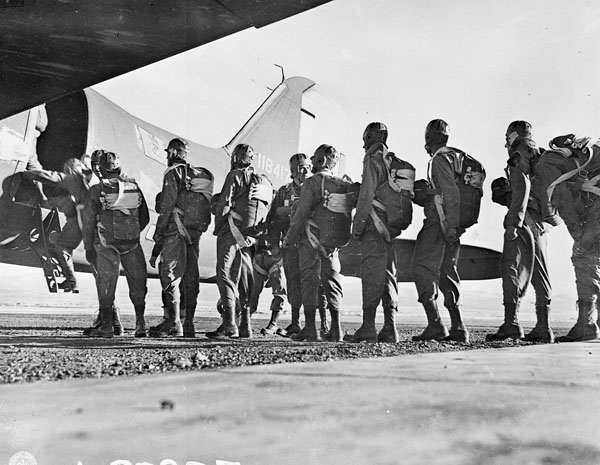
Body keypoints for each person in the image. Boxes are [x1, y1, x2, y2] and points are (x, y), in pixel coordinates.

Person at [411, 119, 485, 344]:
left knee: (421, 266)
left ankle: (435, 325)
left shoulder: (439, 160)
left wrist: (450, 225)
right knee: (447, 270)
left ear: (428, 139)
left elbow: (450, 193)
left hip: (440, 223)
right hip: (454, 224)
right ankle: (458, 327)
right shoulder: (457, 158)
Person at [345, 122, 415, 343]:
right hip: (389, 228)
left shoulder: (373, 159)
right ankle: (390, 328)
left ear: (368, 137)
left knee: (371, 274)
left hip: (373, 227)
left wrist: (356, 228)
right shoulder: (391, 162)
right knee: (387, 274)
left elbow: (366, 196)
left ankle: (367, 327)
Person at [487, 121, 555, 343]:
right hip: (541, 223)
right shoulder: (540, 155)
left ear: (512, 136)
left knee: (511, 266)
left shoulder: (519, 154)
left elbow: (522, 188)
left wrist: (512, 224)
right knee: (539, 273)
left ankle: (511, 324)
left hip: (524, 218)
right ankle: (544, 327)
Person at [284, 144, 357, 342]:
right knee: (332, 281)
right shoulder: (342, 184)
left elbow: (301, 215)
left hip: (311, 240)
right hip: (332, 244)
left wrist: (289, 240)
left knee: (309, 280)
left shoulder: (313, 182)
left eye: (315, 157)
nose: (312, 161)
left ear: (321, 160)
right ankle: (336, 329)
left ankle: (310, 328)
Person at [535, 134, 600, 342]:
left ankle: (586, 325)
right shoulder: (588, 153)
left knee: (583, 256)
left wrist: (577, 234)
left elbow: (562, 198)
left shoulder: (548, 161)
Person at [149, 138, 213, 338]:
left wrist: (159, 232)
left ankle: (173, 322)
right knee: (190, 276)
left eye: (169, 152)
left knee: (170, 275)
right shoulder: (194, 177)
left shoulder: (173, 172)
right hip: (194, 232)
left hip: (174, 231)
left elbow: (167, 205)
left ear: (174, 153)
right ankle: (190, 325)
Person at [81, 151, 149, 338]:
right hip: (132, 244)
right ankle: (140, 325)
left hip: (105, 243)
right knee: (137, 284)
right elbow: (145, 217)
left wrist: (89, 247)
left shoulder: (96, 190)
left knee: (107, 283)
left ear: (101, 170)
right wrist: (130, 232)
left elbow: (88, 222)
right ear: (118, 168)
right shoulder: (134, 187)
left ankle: (107, 327)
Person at [207, 144, 272, 339]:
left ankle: (229, 324)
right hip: (249, 236)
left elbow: (225, 203)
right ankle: (245, 326)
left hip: (231, 232)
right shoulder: (262, 181)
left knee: (225, 275)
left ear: (236, 157)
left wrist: (219, 227)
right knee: (244, 279)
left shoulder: (235, 175)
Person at [23, 156, 95, 293]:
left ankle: (72, 283)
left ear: (70, 169)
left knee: (62, 247)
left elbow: (48, 176)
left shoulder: (72, 178)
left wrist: (27, 174)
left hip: (81, 222)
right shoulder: (90, 179)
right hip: (95, 222)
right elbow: (69, 201)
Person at [247, 234, 287, 335]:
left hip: (278, 258)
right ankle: (245, 322)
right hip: (259, 258)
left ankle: (273, 324)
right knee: (252, 290)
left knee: (279, 291)